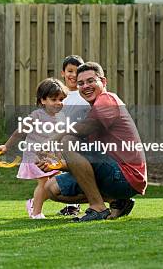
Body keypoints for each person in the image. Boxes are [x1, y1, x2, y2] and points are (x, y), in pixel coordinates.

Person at [37, 62, 148, 222]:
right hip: (112, 173)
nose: (85, 86)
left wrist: (54, 138)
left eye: (90, 81)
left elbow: (83, 129)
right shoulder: (93, 111)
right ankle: (116, 201)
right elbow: (85, 164)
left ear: (103, 82)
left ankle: (97, 208)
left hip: (125, 175)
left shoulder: (107, 99)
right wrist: (57, 165)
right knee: (52, 189)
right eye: (80, 83)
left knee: (69, 140)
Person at [0, 78, 68, 219]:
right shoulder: (36, 116)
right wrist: (6, 146)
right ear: (43, 100)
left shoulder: (61, 117)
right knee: (43, 182)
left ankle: (33, 203)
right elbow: (19, 132)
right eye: (53, 99)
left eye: (61, 99)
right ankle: (36, 213)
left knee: (55, 183)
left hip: (52, 156)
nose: (58, 103)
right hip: (35, 156)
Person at [56, 55, 90, 216]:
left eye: (77, 72)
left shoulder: (85, 95)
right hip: (59, 139)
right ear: (63, 73)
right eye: (70, 71)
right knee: (63, 171)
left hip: (79, 140)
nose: (73, 75)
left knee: (79, 170)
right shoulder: (60, 95)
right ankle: (73, 204)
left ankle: (81, 204)